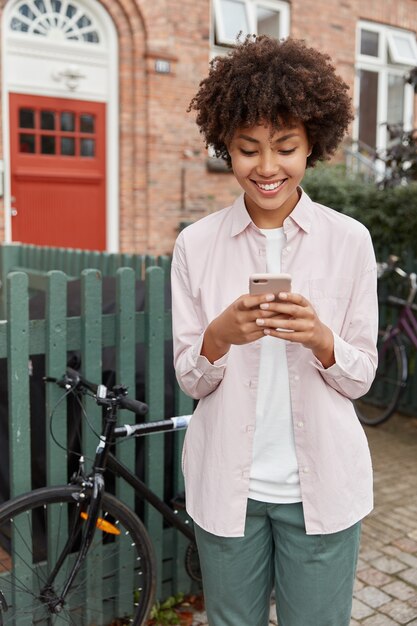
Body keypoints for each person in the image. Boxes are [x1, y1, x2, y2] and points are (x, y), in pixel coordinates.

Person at [171, 35, 378, 626]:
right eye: (246, 149)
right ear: (224, 148)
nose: (266, 168)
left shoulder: (349, 241)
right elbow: (191, 378)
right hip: (226, 489)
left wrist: (321, 339)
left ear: (313, 144)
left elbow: (361, 377)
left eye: (285, 147)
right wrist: (218, 336)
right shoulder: (195, 244)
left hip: (324, 489)